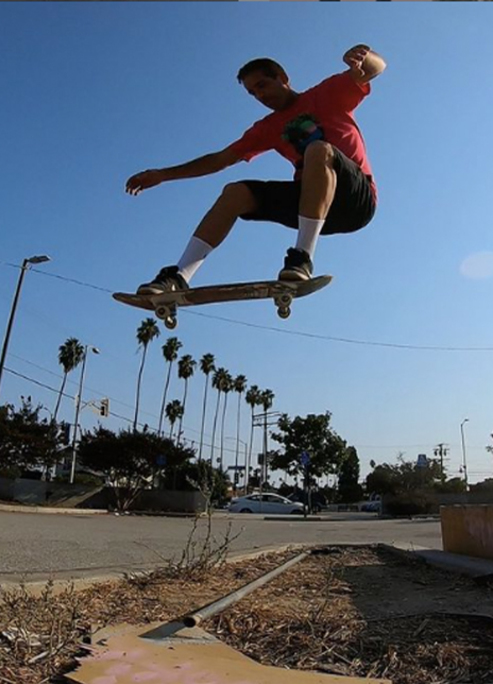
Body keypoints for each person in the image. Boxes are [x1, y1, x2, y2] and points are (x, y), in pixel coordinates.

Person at [125, 44, 386, 294]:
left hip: (356, 199)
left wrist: (362, 57)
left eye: (262, 86)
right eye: (253, 93)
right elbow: (220, 159)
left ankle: (302, 258)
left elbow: (376, 67)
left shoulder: (326, 94)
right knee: (235, 192)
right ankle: (179, 276)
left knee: (318, 149)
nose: (261, 96)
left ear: (282, 77)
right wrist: (163, 174)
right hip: (314, 203)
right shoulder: (267, 127)